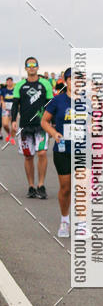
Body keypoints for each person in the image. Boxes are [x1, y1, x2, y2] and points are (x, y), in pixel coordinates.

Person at [11, 57, 54, 198]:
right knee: (28, 156)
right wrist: (13, 120)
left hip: (41, 125)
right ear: (25, 68)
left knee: (42, 153)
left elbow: (51, 104)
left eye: (34, 65)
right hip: (25, 126)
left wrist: (52, 124)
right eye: (28, 65)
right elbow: (15, 104)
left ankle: (41, 185)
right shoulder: (20, 86)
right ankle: (31, 186)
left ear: (37, 67)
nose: (31, 67)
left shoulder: (45, 84)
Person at [41, 68, 73, 237]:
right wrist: (54, 133)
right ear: (65, 81)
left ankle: (82, 223)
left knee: (83, 186)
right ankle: (64, 220)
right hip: (63, 149)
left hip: (83, 149)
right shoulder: (58, 101)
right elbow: (44, 121)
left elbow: (97, 121)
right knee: (65, 187)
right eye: (71, 79)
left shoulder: (88, 101)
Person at [1, 77, 17, 144]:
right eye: (8, 81)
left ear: (12, 82)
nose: (9, 82)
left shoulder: (15, 90)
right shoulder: (3, 90)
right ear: (6, 82)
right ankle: (9, 133)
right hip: (6, 109)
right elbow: (1, 99)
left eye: (11, 81)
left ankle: (12, 138)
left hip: (13, 108)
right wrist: (3, 103)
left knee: (13, 126)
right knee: (5, 125)